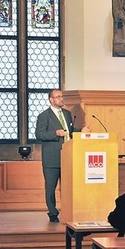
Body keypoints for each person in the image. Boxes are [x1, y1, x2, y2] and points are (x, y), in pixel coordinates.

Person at [34, 89, 89, 222]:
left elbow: (69, 132)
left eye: (62, 96)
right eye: (58, 97)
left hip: (67, 156)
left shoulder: (67, 114)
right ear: (51, 100)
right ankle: (52, 212)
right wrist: (55, 133)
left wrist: (81, 131)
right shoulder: (44, 116)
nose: (61, 99)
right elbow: (39, 134)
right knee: (51, 187)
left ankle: (68, 210)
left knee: (67, 186)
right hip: (52, 158)